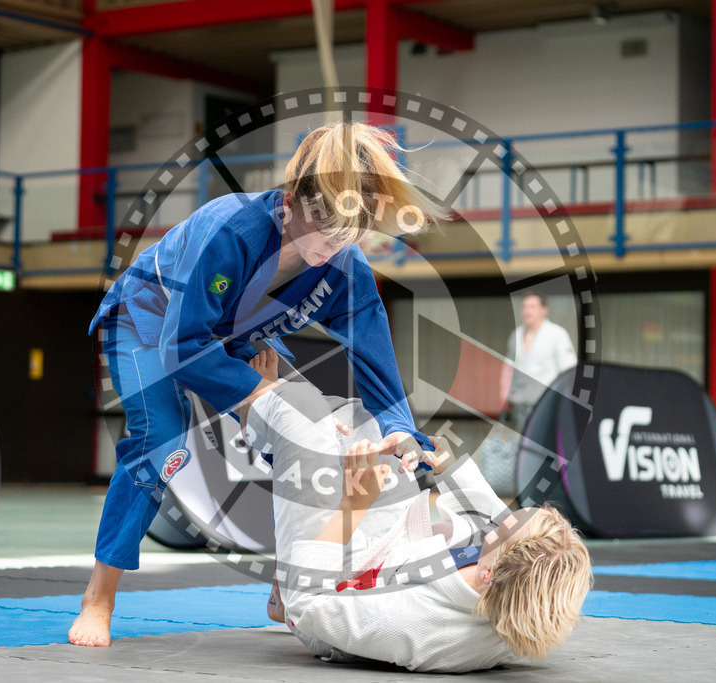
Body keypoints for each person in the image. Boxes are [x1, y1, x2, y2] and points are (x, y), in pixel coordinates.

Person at [69, 122, 446, 647]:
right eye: (326, 228)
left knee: (317, 438)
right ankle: (98, 597)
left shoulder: (347, 266)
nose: (333, 246)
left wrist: (404, 434)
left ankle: (287, 583)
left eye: (348, 234)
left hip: (231, 332)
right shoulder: (234, 230)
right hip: (152, 320)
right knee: (162, 438)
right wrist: (259, 393)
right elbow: (182, 346)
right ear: (291, 203)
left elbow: (379, 370)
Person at [243, 349, 593, 672]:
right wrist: (448, 468)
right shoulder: (516, 583)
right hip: (394, 546)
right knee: (369, 421)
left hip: (334, 585)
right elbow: (493, 527)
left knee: (295, 411)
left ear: (487, 574)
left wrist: (353, 506)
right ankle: (283, 427)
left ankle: (252, 409)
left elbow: (308, 606)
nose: (499, 520)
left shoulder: (417, 627)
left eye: (503, 527)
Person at [501, 291, 577, 432]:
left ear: (544, 310)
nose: (527, 311)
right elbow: (508, 367)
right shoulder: (516, 335)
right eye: (525, 307)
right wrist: (505, 394)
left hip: (546, 403)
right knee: (523, 442)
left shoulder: (557, 334)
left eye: (532, 306)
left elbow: (569, 370)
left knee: (543, 442)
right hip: (519, 402)